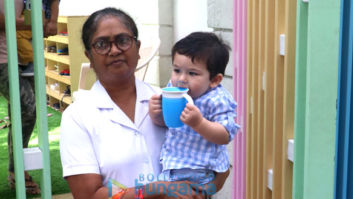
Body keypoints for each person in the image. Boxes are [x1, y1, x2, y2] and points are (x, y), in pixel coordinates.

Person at [60, 7, 229, 199]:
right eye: (101, 44)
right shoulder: (78, 116)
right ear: (89, 56)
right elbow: (88, 195)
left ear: (138, 48)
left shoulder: (171, 101)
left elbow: (221, 168)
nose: (114, 50)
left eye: (123, 41)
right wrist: (158, 189)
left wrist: (206, 191)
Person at [149, 32, 239, 185]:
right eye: (177, 70)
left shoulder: (216, 99)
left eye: (192, 73)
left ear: (214, 80)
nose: (181, 79)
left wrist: (199, 123)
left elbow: (225, 135)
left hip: (199, 171)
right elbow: (169, 123)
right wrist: (156, 115)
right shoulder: (173, 89)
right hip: (171, 164)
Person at [0, 0, 59, 194]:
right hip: (3, 58)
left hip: (26, 55)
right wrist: (35, 22)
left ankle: (17, 170)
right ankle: (18, 170)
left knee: (22, 112)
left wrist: (51, 18)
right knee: (27, 108)